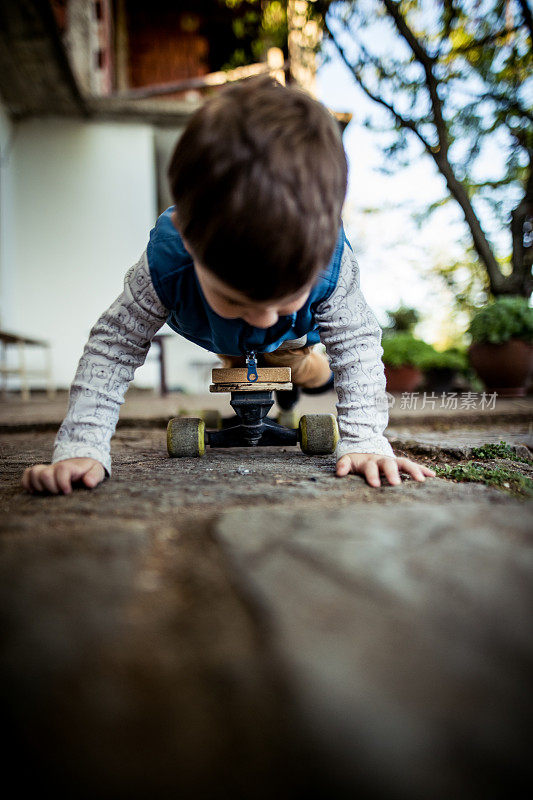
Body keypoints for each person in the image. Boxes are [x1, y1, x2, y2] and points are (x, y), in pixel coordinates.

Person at [22, 75, 435, 495]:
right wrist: (82, 445)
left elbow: (356, 342)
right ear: (187, 237)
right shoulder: (165, 262)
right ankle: (256, 355)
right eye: (236, 298)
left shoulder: (333, 262)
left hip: (295, 340)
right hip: (218, 335)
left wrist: (365, 438)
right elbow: (116, 343)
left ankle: (303, 384)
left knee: (299, 368)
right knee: (237, 364)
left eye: (286, 296)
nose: (262, 316)